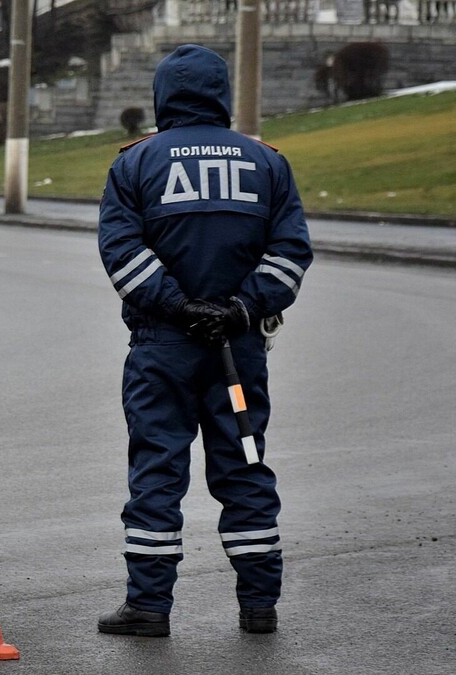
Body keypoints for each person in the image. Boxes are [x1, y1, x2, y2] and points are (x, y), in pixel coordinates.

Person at [95, 44, 312, 637]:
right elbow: (291, 255)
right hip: (236, 355)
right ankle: (259, 606)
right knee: (244, 466)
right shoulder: (267, 163)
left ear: (164, 96)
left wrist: (178, 306)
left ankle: (147, 607)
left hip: (161, 351)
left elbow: (121, 253)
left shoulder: (135, 164)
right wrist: (240, 307)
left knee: (158, 471)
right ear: (222, 93)